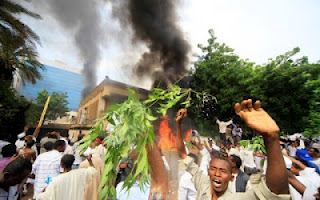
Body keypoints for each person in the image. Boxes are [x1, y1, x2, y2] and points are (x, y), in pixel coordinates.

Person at [176, 99, 290, 199]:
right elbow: (183, 155)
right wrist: (178, 125)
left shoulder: (238, 197)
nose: (217, 173)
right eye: (213, 168)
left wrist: (272, 139)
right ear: (208, 171)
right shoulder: (202, 184)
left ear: (231, 177)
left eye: (223, 171)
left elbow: (274, 194)